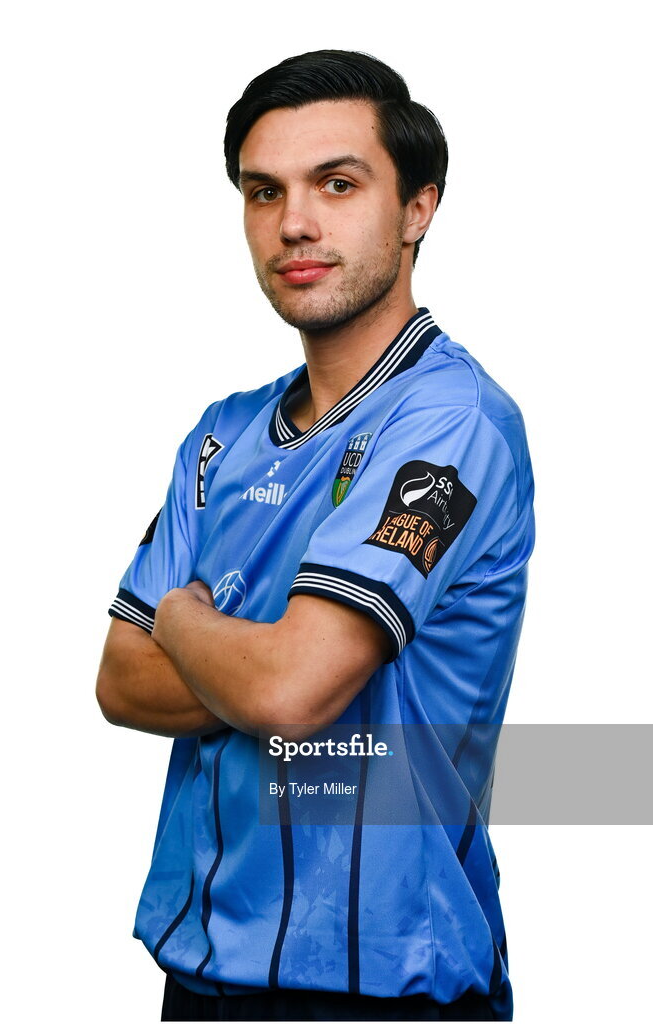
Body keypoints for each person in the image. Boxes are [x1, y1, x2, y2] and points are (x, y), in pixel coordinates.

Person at [96, 49, 534, 1022]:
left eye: (337, 183)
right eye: (264, 191)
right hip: (200, 966)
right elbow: (119, 680)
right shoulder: (221, 434)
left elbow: (293, 690)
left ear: (418, 208)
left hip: (378, 982)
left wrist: (179, 615)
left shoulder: (449, 422)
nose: (293, 221)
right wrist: (255, 660)